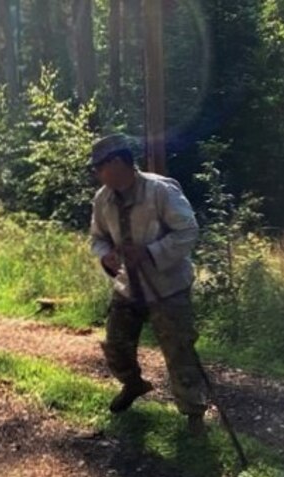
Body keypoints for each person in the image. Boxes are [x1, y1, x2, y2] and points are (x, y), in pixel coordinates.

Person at [88, 133, 208, 435]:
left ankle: (194, 413)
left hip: (167, 285)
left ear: (117, 163)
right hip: (129, 286)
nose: (96, 173)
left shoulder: (160, 191)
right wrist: (106, 258)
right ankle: (133, 384)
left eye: (99, 167)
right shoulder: (102, 199)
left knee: (179, 350)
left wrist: (151, 252)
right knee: (115, 344)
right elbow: (97, 238)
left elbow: (188, 232)